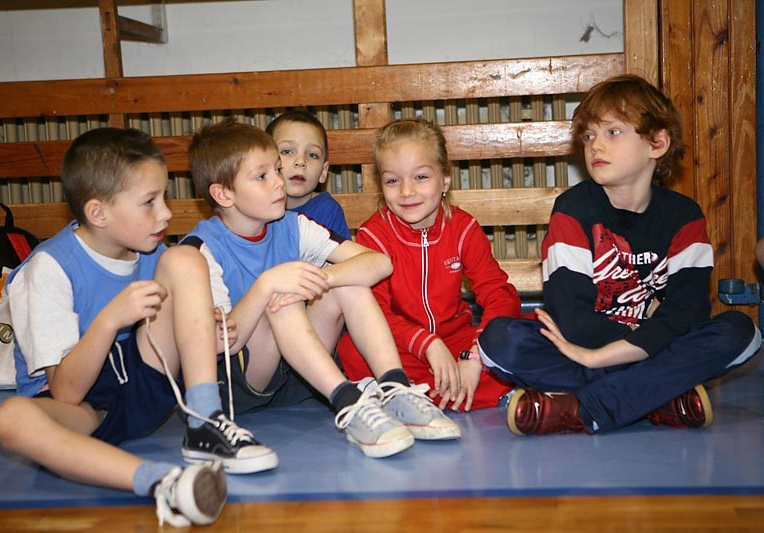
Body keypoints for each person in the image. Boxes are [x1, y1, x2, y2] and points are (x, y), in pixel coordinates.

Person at [0, 128, 277, 528]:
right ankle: (163, 482)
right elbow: (68, 393)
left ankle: (205, 422)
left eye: (164, 197)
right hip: (82, 409)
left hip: (144, 383)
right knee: (9, 419)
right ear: (98, 213)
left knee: (185, 259)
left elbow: (182, 330)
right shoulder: (48, 270)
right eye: (149, 202)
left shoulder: (154, 251)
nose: (166, 213)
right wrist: (111, 319)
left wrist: (204, 321)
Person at [478, 74, 762, 436]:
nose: (596, 146)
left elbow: (688, 313)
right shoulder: (573, 209)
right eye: (588, 136)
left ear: (657, 143)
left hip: (605, 355)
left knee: (742, 331)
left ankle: (584, 408)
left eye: (613, 132)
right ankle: (657, 396)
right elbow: (572, 318)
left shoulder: (684, 216)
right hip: (613, 348)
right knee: (499, 340)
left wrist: (599, 358)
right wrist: (642, 342)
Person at [183, 118, 461, 459]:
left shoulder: (293, 225)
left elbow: (379, 263)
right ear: (223, 193)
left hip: (299, 379)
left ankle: (395, 389)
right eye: (262, 176)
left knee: (348, 281)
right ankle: (350, 404)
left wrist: (324, 279)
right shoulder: (202, 249)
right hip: (240, 386)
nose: (279, 181)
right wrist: (266, 286)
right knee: (281, 298)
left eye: (277, 170)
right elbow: (218, 344)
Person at [336, 118, 521, 412]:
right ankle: (456, 392)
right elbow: (375, 312)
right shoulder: (374, 235)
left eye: (420, 177)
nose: (406, 191)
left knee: (529, 331)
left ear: (445, 180)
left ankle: (414, 394)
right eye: (392, 181)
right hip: (401, 346)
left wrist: (476, 356)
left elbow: (499, 295)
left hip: (459, 343)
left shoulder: (463, 228)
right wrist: (428, 344)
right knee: (352, 349)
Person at [265, 110, 351, 239]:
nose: (301, 161)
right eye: (287, 151)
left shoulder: (327, 211)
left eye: (312, 155)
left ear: (323, 172)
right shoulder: (254, 207)